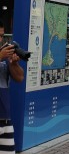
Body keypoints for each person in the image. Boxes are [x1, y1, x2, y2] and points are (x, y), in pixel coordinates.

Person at [0, 22, 24, 153]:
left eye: (2, 35)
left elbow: (20, 78)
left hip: (5, 120)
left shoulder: (4, 55)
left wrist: (14, 64)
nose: (0, 39)